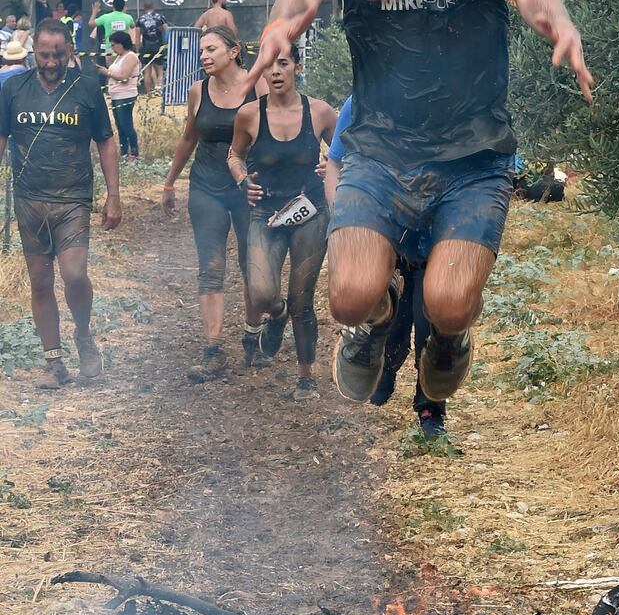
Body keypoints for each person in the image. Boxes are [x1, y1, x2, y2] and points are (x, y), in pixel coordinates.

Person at [246, 0, 593, 405]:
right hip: (379, 151)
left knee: (449, 301)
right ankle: (374, 324)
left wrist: (556, 20)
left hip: (474, 156)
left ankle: (448, 336)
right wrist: (280, 23)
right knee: (348, 294)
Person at [0, 19, 121, 387]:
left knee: (73, 274)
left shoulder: (86, 89)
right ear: (33, 50)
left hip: (72, 200)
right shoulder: (13, 89)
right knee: (40, 282)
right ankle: (54, 363)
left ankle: (83, 335)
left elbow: (105, 142)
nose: (51, 62)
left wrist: (114, 196)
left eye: (58, 55)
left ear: (70, 52)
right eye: (44, 54)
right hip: (30, 199)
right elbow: (1, 138)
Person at [325, 95, 447, 436]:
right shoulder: (360, 101)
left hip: (432, 230)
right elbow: (335, 162)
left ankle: (430, 410)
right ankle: (385, 369)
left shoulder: (449, 100)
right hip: (383, 229)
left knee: (429, 319)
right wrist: (346, 219)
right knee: (392, 313)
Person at [228, 45, 337, 401]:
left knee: (302, 298)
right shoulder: (248, 115)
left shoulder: (319, 111)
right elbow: (235, 155)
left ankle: (305, 377)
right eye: (269, 66)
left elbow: (342, 156)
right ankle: (277, 315)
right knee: (261, 294)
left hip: (310, 210)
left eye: (283, 64)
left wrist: (330, 167)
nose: (275, 72)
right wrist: (243, 180)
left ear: (296, 67)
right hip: (266, 213)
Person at [162, 26, 268, 382]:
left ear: (234, 51)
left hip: (247, 187)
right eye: (201, 50)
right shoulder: (197, 91)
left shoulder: (258, 87)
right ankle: (213, 349)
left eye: (211, 49)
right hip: (206, 185)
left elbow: (276, 131)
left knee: (252, 264)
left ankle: (253, 338)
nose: (204, 56)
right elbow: (188, 137)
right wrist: (169, 181)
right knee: (210, 266)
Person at [94, 31, 141, 160]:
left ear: (122, 44)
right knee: (120, 126)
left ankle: (134, 153)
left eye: (114, 45)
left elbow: (124, 77)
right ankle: (124, 152)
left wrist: (107, 72)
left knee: (127, 125)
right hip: (116, 95)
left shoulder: (130, 56)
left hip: (125, 95)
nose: (113, 47)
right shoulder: (119, 57)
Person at [135, 2, 168, 93]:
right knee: (160, 71)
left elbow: (137, 36)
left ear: (144, 8)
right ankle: (159, 91)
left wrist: (137, 50)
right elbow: (168, 30)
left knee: (147, 72)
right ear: (153, 6)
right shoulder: (160, 17)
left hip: (146, 47)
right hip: (158, 46)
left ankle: (148, 93)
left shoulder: (140, 19)